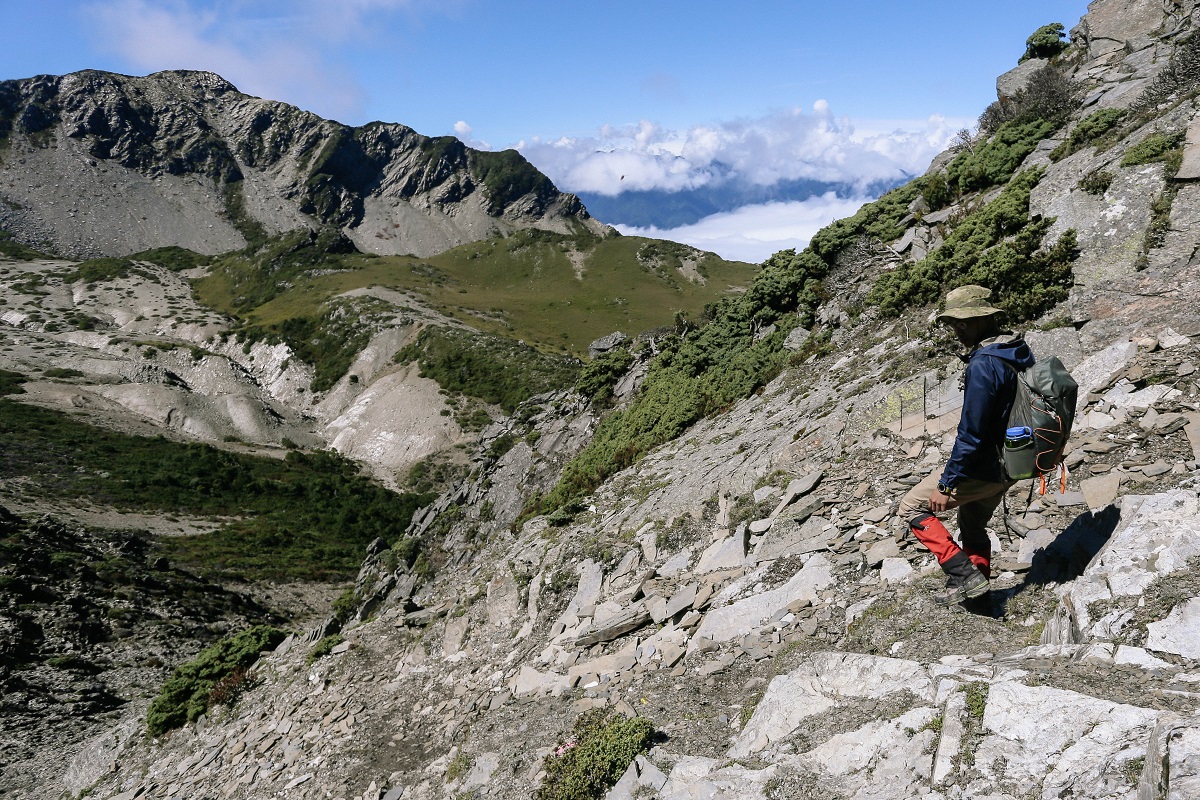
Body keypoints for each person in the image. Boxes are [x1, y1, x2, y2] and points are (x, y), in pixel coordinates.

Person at [898, 285, 1035, 605]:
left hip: (988, 465)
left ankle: (964, 575)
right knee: (971, 524)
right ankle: (979, 594)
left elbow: (971, 434)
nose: (955, 331)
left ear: (966, 323)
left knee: (911, 507)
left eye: (956, 324)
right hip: (1019, 457)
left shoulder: (983, 364)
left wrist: (946, 485)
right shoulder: (1015, 348)